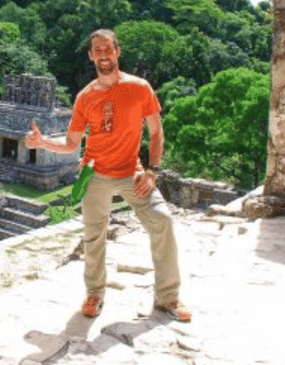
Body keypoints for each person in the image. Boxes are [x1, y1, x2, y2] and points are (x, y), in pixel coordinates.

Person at [25, 28, 192, 322]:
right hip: (95, 173)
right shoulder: (85, 97)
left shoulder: (140, 88)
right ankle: (94, 294)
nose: (103, 54)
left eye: (108, 48)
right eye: (97, 50)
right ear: (91, 56)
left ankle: (168, 298)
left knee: (162, 222)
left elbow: (156, 133)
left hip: (132, 171)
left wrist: (152, 171)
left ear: (117, 51)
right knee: (94, 236)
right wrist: (41, 143)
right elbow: (72, 144)